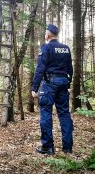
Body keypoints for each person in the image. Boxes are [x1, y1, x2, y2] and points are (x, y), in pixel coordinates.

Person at [31, 24, 73, 155]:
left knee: (46, 113)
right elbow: (70, 69)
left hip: (49, 83)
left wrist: (34, 88)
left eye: (45, 33)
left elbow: (40, 69)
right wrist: (68, 84)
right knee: (64, 114)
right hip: (63, 83)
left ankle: (48, 147)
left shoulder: (46, 47)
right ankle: (67, 148)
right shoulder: (66, 49)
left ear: (48, 35)